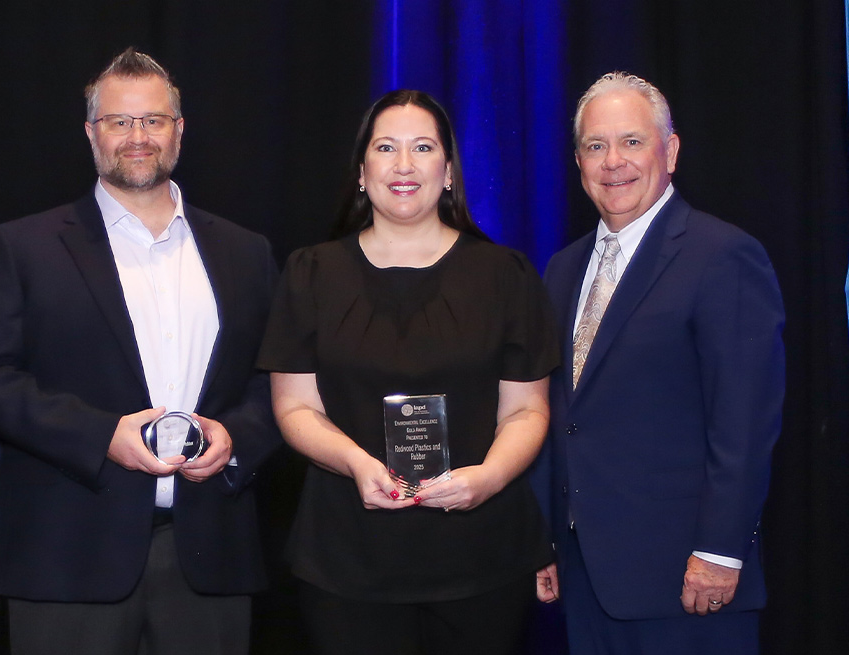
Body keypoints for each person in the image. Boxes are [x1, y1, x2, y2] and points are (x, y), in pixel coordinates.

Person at [0, 48, 281, 655]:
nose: (138, 137)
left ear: (179, 130)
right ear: (90, 132)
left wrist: (239, 439)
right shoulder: (22, 247)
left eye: (153, 120)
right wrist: (100, 435)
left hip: (210, 557)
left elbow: (274, 382)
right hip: (66, 557)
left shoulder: (246, 252)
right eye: (119, 121)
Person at [257, 89, 558, 655]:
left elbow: (526, 410)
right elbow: (294, 406)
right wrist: (355, 463)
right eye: (386, 147)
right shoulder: (310, 273)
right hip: (347, 557)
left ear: (448, 171)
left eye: (422, 147)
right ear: (363, 172)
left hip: (482, 553)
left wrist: (488, 479)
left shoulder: (506, 275)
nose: (403, 165)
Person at [535, 71, 785, 654]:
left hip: (688, 583)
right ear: (578, 162)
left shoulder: (723, 256)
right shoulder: (562, 269)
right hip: (586, 579)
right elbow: (563, 415)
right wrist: (543, 541)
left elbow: (744, 423)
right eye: (596, 146)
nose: (613, 161)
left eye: (632, 141)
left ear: (669, 150)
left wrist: (721, 552)